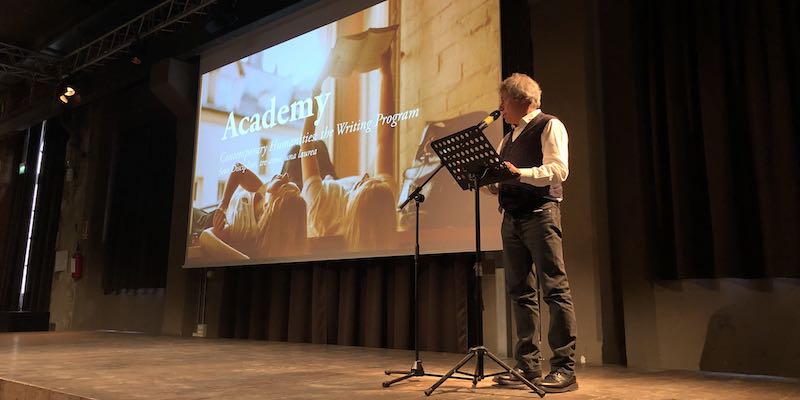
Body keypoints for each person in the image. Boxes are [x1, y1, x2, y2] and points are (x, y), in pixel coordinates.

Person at [490, 73, 578, 393]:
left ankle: (565, 368)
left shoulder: (549, 125)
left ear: (522, 100)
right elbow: (506, 179)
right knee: (521, 293)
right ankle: (528, 365)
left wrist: (519, 173)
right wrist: (490, 181)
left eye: (504, 100)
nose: (500, 107)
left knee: (553, 289)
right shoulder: (508, 138)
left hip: (541, 215)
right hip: (511, 219)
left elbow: (558, 170)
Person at [196, 163, 307, 259]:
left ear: (274, 205)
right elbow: (238, 170)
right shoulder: (263, 192)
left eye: (285, 186)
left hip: (202, 223)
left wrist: (243, 261)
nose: (286, 176)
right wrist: (223, 205)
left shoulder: (244, 226)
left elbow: (205, 236)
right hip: (214, 211)